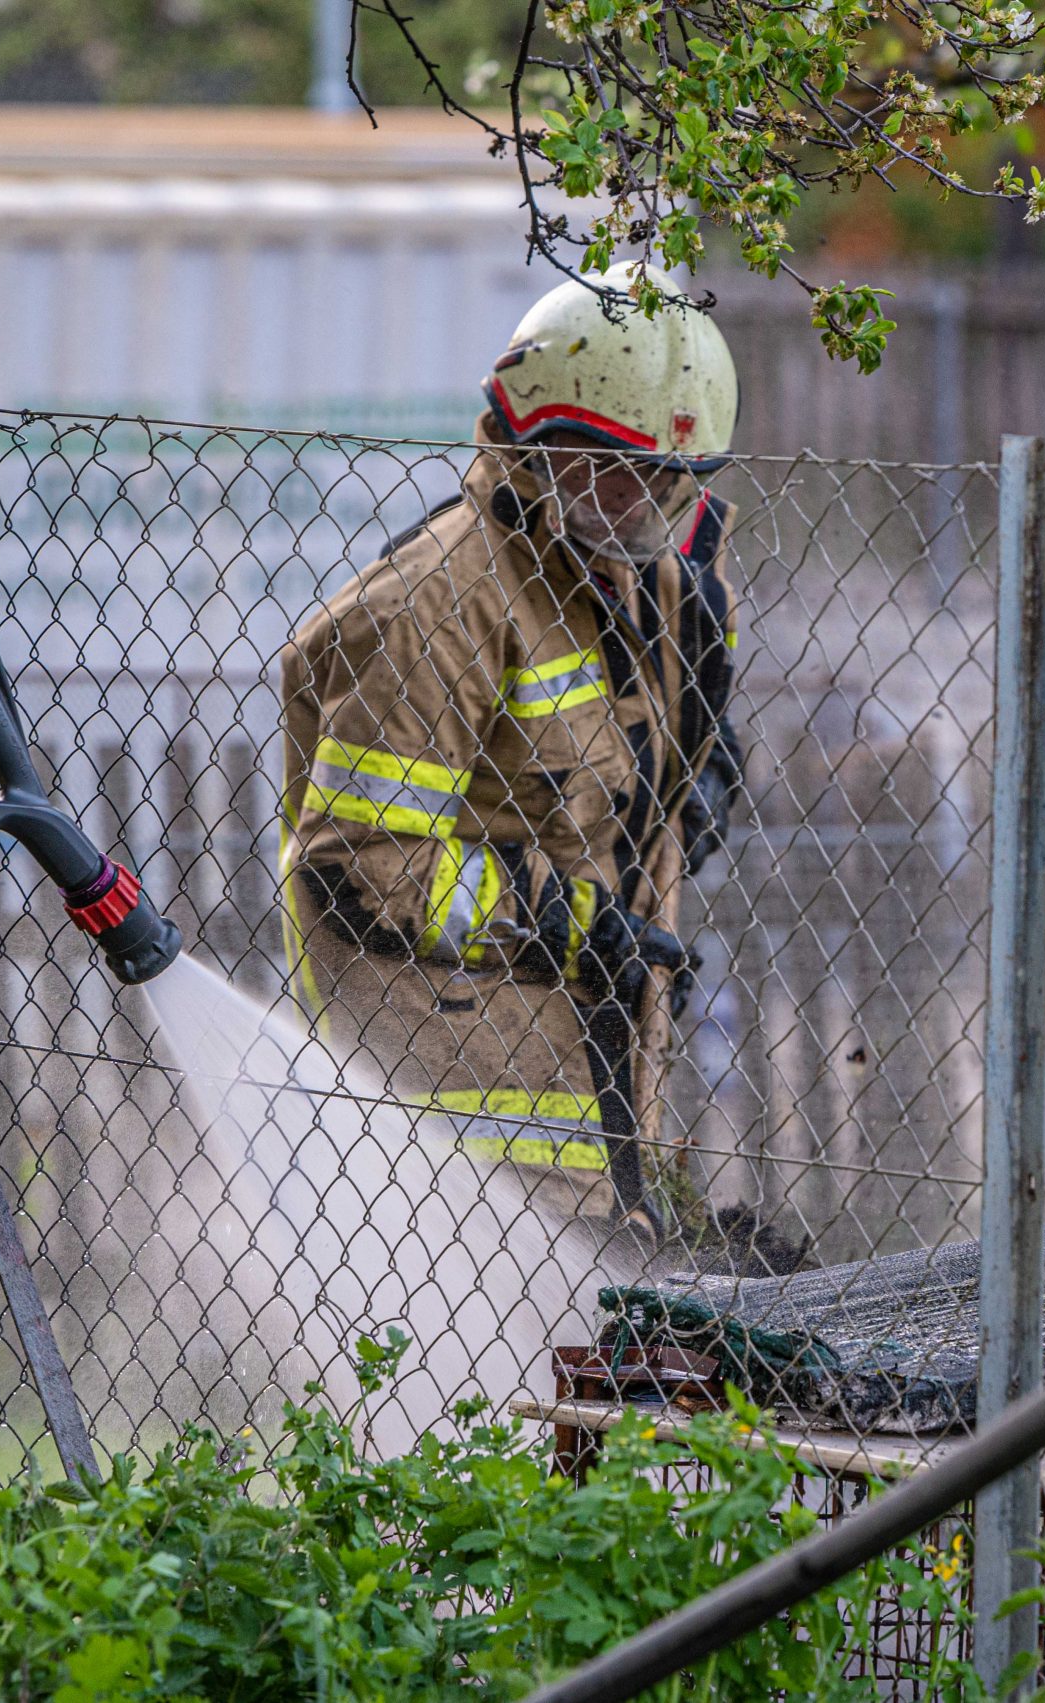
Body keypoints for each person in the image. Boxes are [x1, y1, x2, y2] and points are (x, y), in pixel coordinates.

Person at [278, 265, 745, 1236]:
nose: (650, 505)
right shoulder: (431, 610)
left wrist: (694, 764)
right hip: (453, 1107)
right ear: (540, 443)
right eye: (625, 471)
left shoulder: (652, 585)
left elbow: (642, 756)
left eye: (674, 479)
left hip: (588, 1079)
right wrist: (569, 921)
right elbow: (357, 870)